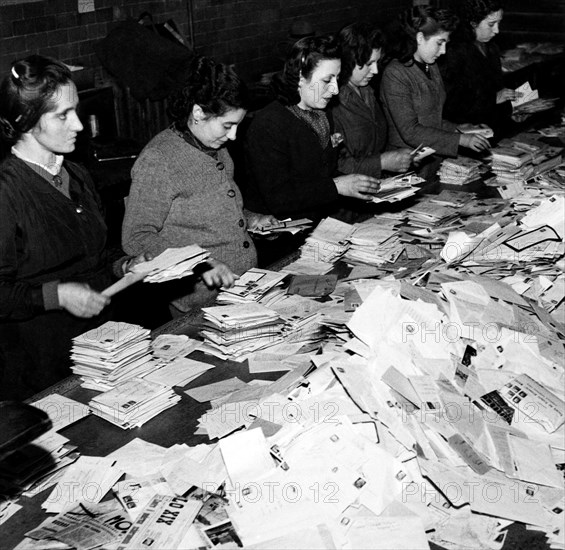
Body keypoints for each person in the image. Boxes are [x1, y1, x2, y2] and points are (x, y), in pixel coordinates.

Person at [0, 55, 147, 399]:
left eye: (75, 110)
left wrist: (123, 264)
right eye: (62, 115)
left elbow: (95, 252)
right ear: (27, 122)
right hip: (42, 367)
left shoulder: (76, 174)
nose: (79, 125)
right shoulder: (6, 191)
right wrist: (58, 294)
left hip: (101, 351)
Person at [122, 56, 270, 317]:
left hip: (241, 290)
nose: (233, 136)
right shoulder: (159, 160)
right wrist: (200, 263)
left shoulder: (216, 146)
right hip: (198, 305)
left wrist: (250, 218)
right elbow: (136, 237)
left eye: (238, 125)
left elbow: (210, 213)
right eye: (227, 125)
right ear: (199, 112)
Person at [244, 35, 381, 224]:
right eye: (327, 80)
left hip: (317, 225)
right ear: (300, 78)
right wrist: (337, 186)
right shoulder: (269, 124)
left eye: (337, 79)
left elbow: (320, 176)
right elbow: (279, 198)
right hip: (280, 233)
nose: (334, 90)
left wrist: (355, 182)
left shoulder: (323, 113)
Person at [380, 7, 491, 178]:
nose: (444, 51)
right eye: (439, 43)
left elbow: (432, 118)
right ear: (419, 38)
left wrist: (458, 129)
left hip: (433, 162)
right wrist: (460, 140)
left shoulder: (430, 66)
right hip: (406, 167)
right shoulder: (395, 73)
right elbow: (410, 130)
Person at [332, 22, 412, 178]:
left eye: (376, 62)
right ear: (348, 61)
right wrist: (382, 162)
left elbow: (374, 144)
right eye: (368, 64)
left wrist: (398, 157)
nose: (375, 71)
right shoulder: (332, 104)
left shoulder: (367, 91)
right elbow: (337, 164)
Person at [439, 0, 518, 138]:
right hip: (466, 135)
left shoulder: (492, 48)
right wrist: (492, 99)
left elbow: (497, 91)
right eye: (491, 24)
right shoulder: (453, 52)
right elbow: (450, 107)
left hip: (491, 130)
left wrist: (512, 112)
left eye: (499, 23)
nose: (497, 31)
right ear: (473, 23)